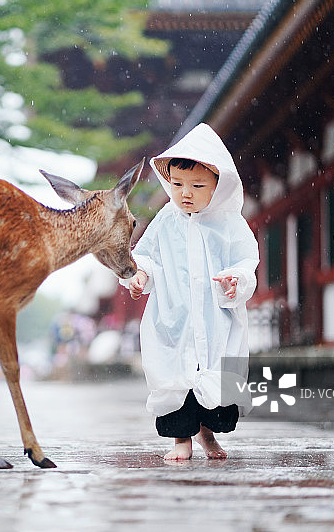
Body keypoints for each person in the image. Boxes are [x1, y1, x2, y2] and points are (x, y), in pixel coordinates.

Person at [122, 123, 259, 460]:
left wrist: (236, 280)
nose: (186, 193)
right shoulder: (167, 219)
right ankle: (181, 439)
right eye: (178, 184)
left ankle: (207, 434)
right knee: (175, 381)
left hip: (217, 318)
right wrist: (139, 276)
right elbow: (147, 256)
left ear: (218, 185)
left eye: (198, 185)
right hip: (175, 317)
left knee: (216, 387)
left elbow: (246, 260)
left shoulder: (229, 222)